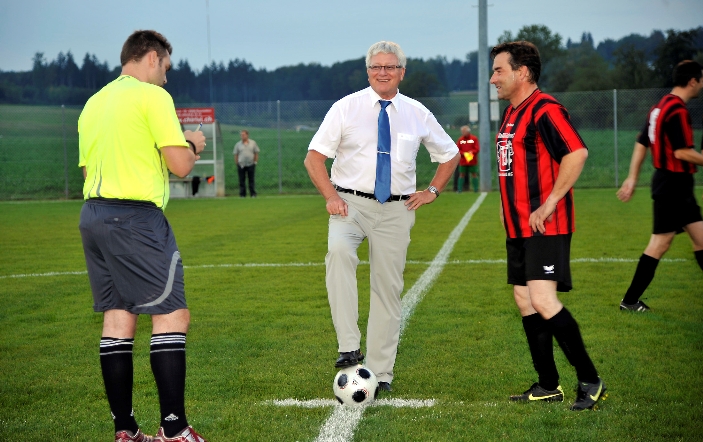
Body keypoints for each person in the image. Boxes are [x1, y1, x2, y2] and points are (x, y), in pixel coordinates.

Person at [304, 41, 459, 392]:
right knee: (339, 253)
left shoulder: (417, 112)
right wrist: (330, 196)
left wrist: (432, 190)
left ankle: (381, 374)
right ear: (368, 71)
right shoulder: (346, 108)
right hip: (349, 204)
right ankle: (348, 346)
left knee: (388, 289)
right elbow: (314, 158)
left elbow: (449, 155)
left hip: (397, 209)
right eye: (376, 67)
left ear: (402, 72)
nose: (383, 72)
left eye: (390, 67)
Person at [77, 30, 208, 442]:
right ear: (151, 58)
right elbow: (182, 165)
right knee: (172, 316)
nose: (166, 79)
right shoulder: (153, 97)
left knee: (118, 320)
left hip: (94, 216)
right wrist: (192, 142)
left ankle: (126, 431)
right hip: (136, 219)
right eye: (165, 69)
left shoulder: (94, 103)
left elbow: (88, 170)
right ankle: (175, 431)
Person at [489, 41, 606, 411]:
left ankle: (590, 379)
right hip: (519, 228)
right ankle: (547, 384)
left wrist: (550, 202)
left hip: (546, 226)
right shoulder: (511, 113)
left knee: (542, 298)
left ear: (522, 72)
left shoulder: (545, 109)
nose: (492, 78)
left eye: (498, 70)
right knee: (524, 299)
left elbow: (577, 152)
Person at [616, 60, 703, 312]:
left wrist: (632, 178)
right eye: (701, 79)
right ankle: (629, 301)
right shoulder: (677, 110)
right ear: (692, 81)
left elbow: (641, 143)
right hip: (674, 185)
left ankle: (630, 301)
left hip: (671, 185)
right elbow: (681, 153)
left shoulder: (659, 107)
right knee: (660, 243)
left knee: (696, 240)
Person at [233, 130, 260, 197]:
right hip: (241, 164)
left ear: (247, 135)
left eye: (243, 135)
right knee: (241, 180)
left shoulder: (253, 143)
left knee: (251, 180)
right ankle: (242, 194)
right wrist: (237, 163)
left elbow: (256, 152)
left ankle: (253, 194)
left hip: (251, 164)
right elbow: (236, 154)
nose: (242, 136)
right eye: (241, 135)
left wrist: (255, 162)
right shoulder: (238, 144)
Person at [456, 125, 480, 193]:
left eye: (464, 131)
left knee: (474, 174)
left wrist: (471, 152)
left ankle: (476, 189)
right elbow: (457, 150)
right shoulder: (460, 140)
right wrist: (464, 153)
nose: (462, 133)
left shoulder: (474, 138)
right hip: (463, 161)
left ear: (468, 132)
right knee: (461, 174)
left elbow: (477, 149)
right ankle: (459, 189)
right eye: (462, 131)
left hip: (472, 161)